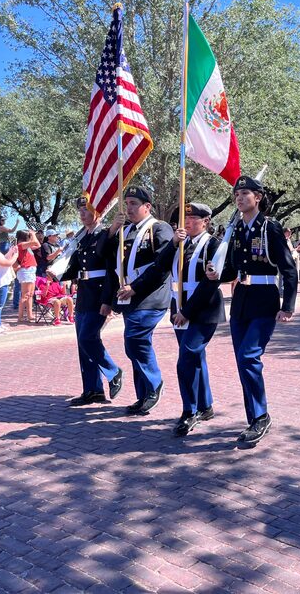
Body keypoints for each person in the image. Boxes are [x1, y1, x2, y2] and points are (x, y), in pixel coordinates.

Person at [206, 175, 298, 447]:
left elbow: (288, 269)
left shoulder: (270, 227)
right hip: (241, 300)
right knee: (243, 362)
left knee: (248, 357)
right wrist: (217, 275)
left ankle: (260, 416)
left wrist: (288, 306)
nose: (240, 197)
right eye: (237, 194)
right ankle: (254, 418)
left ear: (257, 198)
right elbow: (234, 269)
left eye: (245, 193)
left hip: (264, 300)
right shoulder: (235, 231)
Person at [156, 203, 224, 436]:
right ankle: (205, 405)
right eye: (185, 219)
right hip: (179, 308)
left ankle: (189, 411)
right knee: (194, 357)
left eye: (193, 218)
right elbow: (160, 266)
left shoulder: (213, 245)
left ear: (205, 221)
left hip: (203, 311)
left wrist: (187, 312)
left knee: (186, 357)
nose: (187, 223)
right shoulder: (179, 244)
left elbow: (209, 285)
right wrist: (173, 243)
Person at [106, 185, 173, 416]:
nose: (129, 208)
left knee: (135, 341)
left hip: (150, 297)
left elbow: (161, 266)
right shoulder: (127, 230)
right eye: (127, 203)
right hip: (129, 297)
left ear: (147, 207)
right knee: (134, 346)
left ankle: (155, 385)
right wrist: (113, 229)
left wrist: (135, 287)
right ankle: (143, 395)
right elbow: (105, 257)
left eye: (134, 204)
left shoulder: (159, 228)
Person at [59, 196, 122, 407]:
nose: (82, 214)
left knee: (88, 337)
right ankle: (93, 390)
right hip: (84, 294)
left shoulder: (105, 234)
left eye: (86, 210)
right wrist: (57, 273)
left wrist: (108, 301)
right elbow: (75, 265)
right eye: (80, 211)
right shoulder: (81, 237)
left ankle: (113, 371)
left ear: (97, 212)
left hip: (99, 294)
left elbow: (111, 271)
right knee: (82, 343)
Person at [15, 229, 40, 324]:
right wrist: (33, 234)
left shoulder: (27, 246)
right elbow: (34, 242)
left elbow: (38, 244)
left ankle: (30, 315)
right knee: (25, 295)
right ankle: (20, 316)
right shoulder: (21, 245)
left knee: (30, 294)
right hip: (26, 270)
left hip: (30, 270)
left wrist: (32, 235)